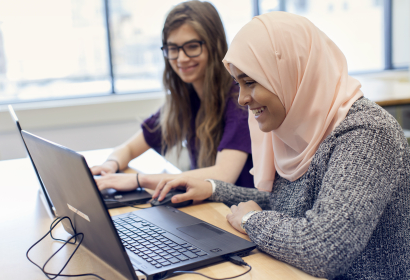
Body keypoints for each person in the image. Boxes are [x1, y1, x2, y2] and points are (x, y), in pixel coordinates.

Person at [153, 12, 410, 279]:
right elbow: (290, 206)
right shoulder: (299, 128)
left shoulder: (366, 132)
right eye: (238, 84)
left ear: (288, 73)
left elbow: (324, 249)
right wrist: (213, 189)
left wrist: (251, 220)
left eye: (250, 82)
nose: (241, 99)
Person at [91, 1, 254, 191]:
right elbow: (128, 148)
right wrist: (110, 165)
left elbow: (223, 174)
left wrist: (139, 180)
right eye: (173, 48)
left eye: (192, 46)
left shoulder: (238, 99)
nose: (181, 58)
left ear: (214, 46)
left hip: (238, 210)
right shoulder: (186, 97)